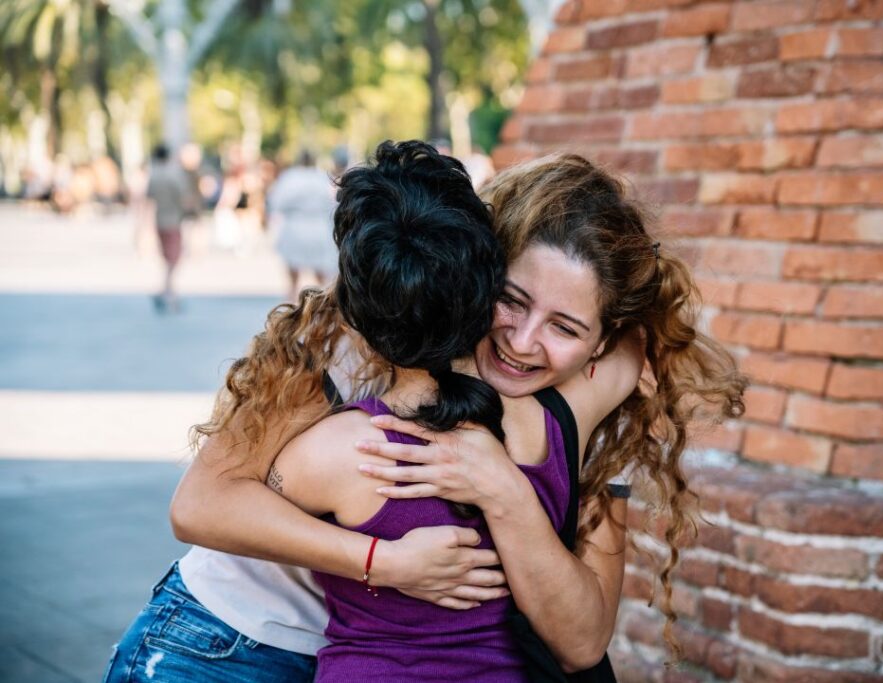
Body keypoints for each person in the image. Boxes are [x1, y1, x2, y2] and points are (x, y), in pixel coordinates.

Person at [108, 144, 743, 681]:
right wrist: (384, 563)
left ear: (602, 341)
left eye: (566, 326)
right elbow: (200, 505)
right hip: (227, 640)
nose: (522, 342)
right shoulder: (372, 336)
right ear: (478, 270)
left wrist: (504, 489)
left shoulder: (593, 411)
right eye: (511, 300)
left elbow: (582, 640)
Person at [267, 151, 338, 301]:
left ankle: (292, 296)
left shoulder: (290, 177)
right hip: (317, 225)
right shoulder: (321, 177)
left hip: (295, 225)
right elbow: (332, 202)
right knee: (321, 269)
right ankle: (326, 299)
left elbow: (277, 201)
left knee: (293, 266)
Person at [146, 144, 189, 313]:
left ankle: (167, 290)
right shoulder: (173, 176)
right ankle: (167, 291)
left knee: (167, 258)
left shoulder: (153, 176)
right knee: (174, 258)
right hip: (173, 220)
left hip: (159, 219)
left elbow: (148, 199)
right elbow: (182, 197)